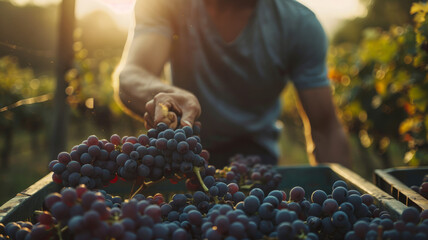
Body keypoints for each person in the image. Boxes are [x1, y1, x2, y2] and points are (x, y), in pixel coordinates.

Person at [114, 0, 351, 168]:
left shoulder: (298, 25)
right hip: (182, 155)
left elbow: (326, 128)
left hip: (254, 167)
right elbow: (132, 75)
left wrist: (340, 206)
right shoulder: (167, 3)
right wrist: (164, 94)